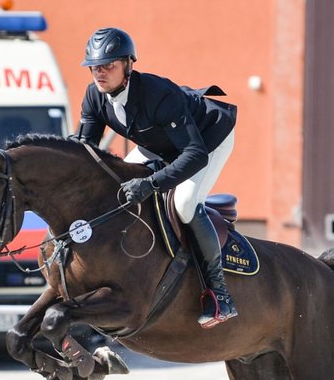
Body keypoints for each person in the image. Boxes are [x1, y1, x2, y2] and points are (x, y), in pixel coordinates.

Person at [73, 27, 239, 328]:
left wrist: (150, 184)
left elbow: (194, 154)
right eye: (95, 67)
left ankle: (219, 294)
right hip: (159, 144)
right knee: (117, 185)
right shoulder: (94, 97)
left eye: (108, 65)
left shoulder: (157, 94)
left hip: (206, 139)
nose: (100, 73)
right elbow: (83, 152)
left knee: (186, 203)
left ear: (128, 65)